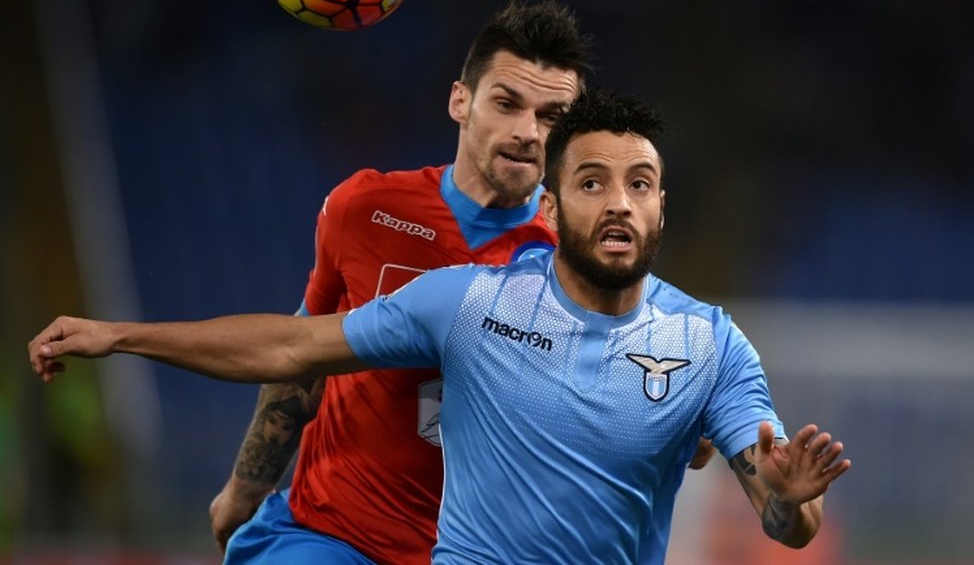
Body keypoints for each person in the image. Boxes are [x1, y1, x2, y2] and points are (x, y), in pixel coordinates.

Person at [30, 89, 850, 564]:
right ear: (552, 206)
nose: (619, 202)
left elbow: (784, 520)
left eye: (640, 183)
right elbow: (291, 344)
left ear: (661, 206)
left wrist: (786, 503)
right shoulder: (471, 301)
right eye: (593, 182)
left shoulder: (709, 344)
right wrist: (123, 335)